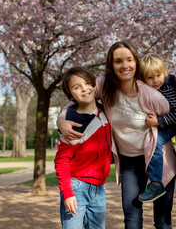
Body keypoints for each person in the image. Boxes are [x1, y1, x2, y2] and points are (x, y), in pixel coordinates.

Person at [57, 41, 176, 229]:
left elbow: (175, 116)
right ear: (111, 65)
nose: (125, 65)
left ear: (136, 62)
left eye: (129, 60)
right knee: (131, 219)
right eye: (118, 61)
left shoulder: (151, 95)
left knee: (162, 221)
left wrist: (160, 122)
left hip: (158, 158)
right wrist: (61, 120)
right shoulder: (105, 86)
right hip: (129, 162)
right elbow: (82, 96)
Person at [54, 67, 112, 229]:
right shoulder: (74, 125)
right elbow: (61, 160)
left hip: (99, 187)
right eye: (76, 87)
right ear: (71, 95)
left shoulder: (104, 111)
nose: (84, 89)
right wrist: (67, 193)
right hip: (77, 187)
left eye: (87, 83)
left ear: (94, 86)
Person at [138, 54, 176, 202]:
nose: (155, 80)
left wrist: (158, 120)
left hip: (168, 125)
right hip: (159, 123)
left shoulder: (169, 89)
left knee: (155, 143)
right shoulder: (146, 90)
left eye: (158, 75)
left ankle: (156, 182)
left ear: (164, 73)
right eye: (150, 78)